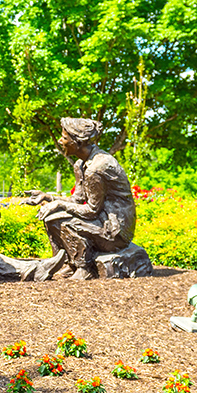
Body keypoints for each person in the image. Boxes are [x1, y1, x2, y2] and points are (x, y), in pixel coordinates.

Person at [27, 117, 136, 280]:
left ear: (78, 142)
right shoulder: (80, 165)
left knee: (60, 220)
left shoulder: (96, 168)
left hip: (115, 231)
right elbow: (77, 199)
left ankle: (84, 267)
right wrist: (48, 198)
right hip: (102, 220)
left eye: (64, 138)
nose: (60, 141)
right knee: (50, 217)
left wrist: (58, 205)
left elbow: (92, 211)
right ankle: (67, 263)